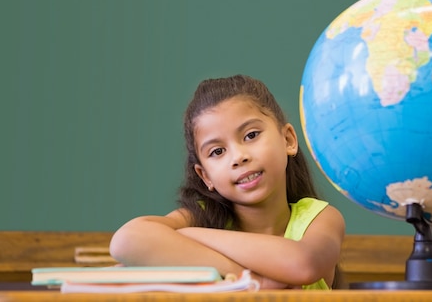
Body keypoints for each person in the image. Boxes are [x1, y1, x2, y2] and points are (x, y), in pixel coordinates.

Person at [110, 74, 345, 289]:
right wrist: (251, 280)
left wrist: (193, 235)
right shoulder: (200, 216)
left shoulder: (321, 218)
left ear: (288, 140)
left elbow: (303, 264)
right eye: (217, 151)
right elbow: (125, 241)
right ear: (206, 176)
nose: (238, 157)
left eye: (251, 135)